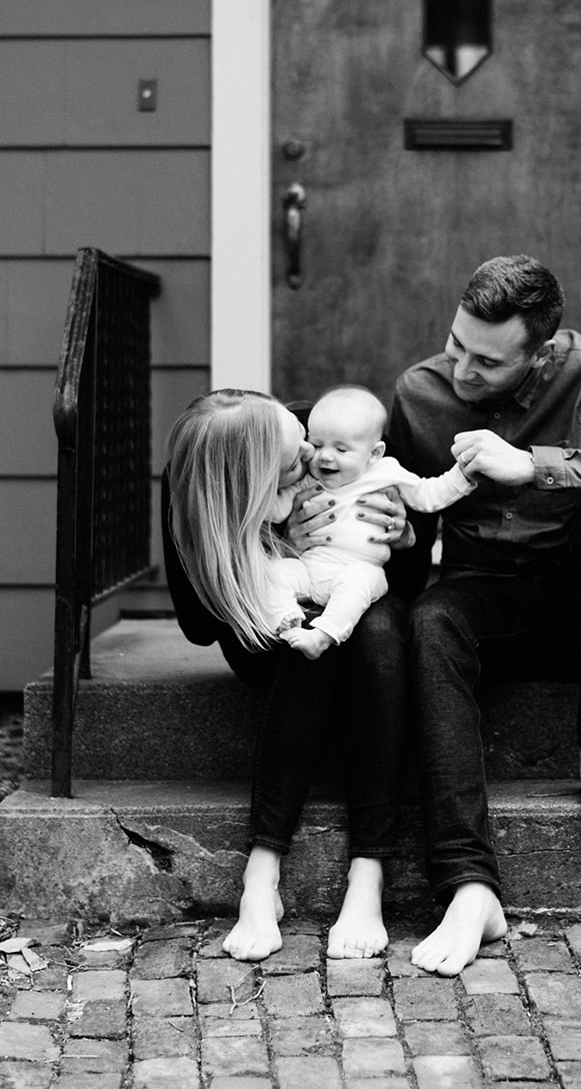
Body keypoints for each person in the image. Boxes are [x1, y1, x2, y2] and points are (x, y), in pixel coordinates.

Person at [385, 255, 581, 976]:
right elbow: (412, 549)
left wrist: (536, 465)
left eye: (488, 362)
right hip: (483, 599)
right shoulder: (422, 392)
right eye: (456, 343)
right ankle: (468, 888)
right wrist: (393, 538)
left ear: (540, 352)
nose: (463, 370)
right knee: (431, 620)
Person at [163, 388, 410, 963]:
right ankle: (262, 870)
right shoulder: (195, 480)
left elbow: (408, 566)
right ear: (249, 486)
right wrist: (275, 547)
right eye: (294, 459)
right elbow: (201, 625)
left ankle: (367, 873)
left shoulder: (328, 434)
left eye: (303, 437)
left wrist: (399, 533)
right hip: (262, 621)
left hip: (361, 603)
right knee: (305, 647)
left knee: (374, 639)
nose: (310, 452)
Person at [277, 384, 476, 660]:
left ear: (374, 453)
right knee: (276, 573)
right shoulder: (309, 479)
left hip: (359, 568)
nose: (325, 456)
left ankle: (322, 635)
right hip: (309, 567)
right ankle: (284, 616)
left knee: (356, 588)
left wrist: (462, 475)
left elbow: (428, 494)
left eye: (341, 449)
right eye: (318, 444)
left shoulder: (385, 473)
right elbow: (274, 509)